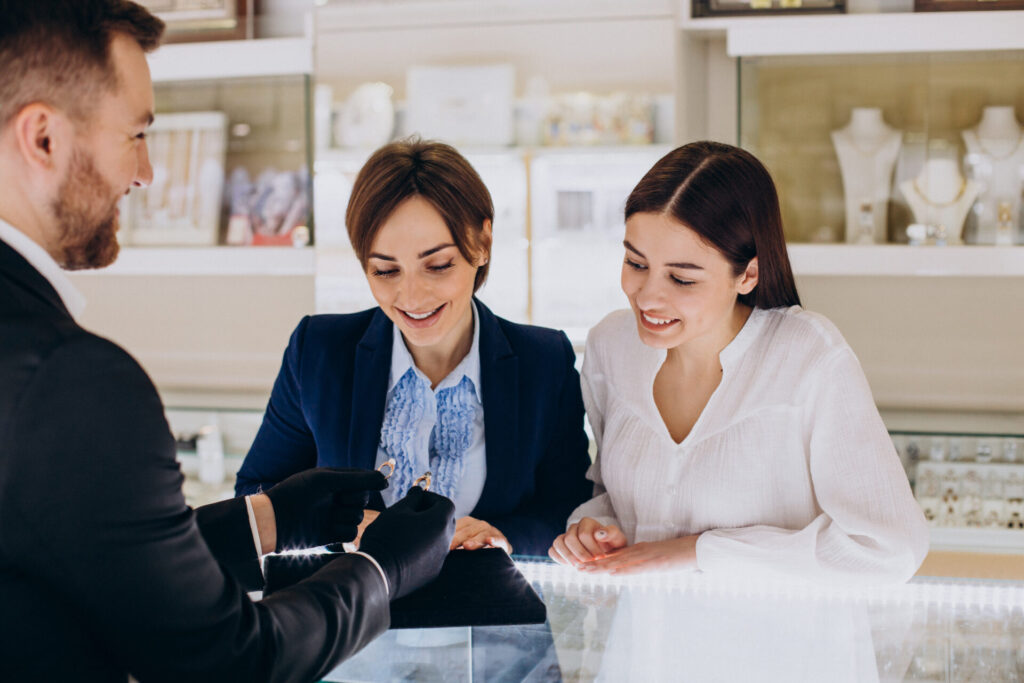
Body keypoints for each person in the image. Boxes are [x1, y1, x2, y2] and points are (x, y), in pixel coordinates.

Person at [0, 2, 454, 681]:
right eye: (136, 135)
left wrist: (268, 518)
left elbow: (85, 559)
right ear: (43, 139)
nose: (147, 174)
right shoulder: (71, 377)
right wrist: (378, 570)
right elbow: (228, 659)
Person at [549, 141, 929, 583]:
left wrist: (700, 551)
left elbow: (889, 548)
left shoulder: (808, 356)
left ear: (747, 274)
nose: (648, 296)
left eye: (682, 278)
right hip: (646, 642)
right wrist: (593, 528)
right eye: (636, 262)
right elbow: (616, 495)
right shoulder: (610, 347)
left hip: (781, 649)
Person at [235, 139, 593, 557]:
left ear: (482, 242)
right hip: (349, 617)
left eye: (438, 265)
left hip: (492, 614)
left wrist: (501, 536)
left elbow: (566, 508)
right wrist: (343, 523)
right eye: (385, 270)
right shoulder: (319, 350)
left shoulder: (544, 360)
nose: (412, 296)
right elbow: (255, 494)